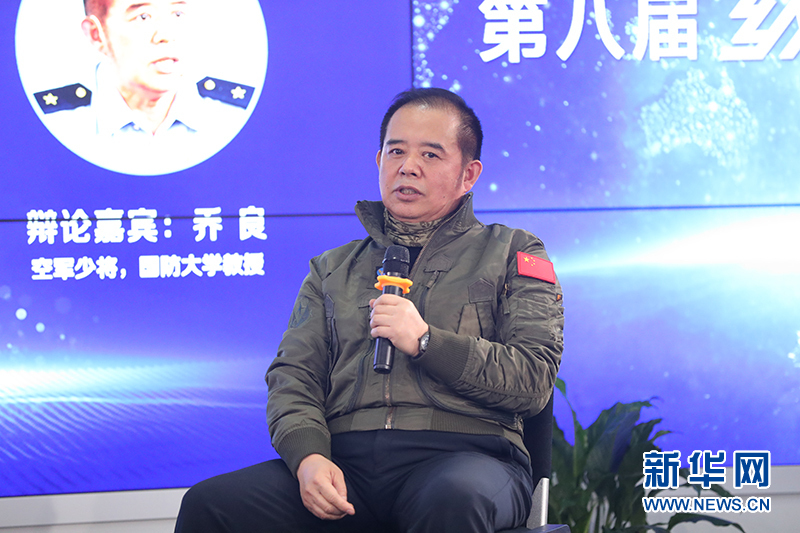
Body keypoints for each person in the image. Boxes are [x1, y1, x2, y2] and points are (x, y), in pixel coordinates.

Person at [175, 88, 565, 533]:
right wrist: (308, 457)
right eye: (396, 151)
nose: (408, 166)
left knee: (452, 498)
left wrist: (427, 342)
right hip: (348, 465)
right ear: (379, 161)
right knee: (212, 505)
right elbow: (293, 378)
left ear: (468, 174)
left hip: (468, 456)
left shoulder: (512, 252)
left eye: (431, 154)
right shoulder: (332, 269)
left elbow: (533, 379)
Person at [31, 0, 255, 174]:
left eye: (178, 14)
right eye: (143, 17)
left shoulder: (236, 115)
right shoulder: (50, 123)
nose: (166, 35)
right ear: (96, 34)